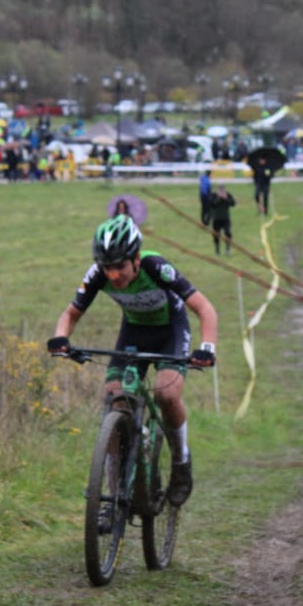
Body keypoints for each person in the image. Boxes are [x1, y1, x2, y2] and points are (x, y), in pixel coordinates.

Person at [48, 215, 218, 507]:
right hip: (134, 333)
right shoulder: (98, 274)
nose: (113, 275)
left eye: (120, 266)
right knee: (115, 396)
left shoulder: (156, 267)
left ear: (136, 259)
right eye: (108, 267)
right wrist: (60, 338)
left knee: (167, 393)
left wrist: (207, 348)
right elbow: (71, 314)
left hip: (170, 331)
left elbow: (205, 308)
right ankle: (114, 497)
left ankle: (181, 461)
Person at [208, 184, 236, 255]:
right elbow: (213, 204)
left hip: (226, 219)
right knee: (216, 235)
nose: (221, 192)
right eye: (220, 190)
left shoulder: (228, 195)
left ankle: (228, 249)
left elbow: (233, 204)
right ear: (217, 190)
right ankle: (217, 250)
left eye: (222, 190)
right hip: (216, 219)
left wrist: (225, 198)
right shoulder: (213, 196)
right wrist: (219, 198)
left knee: (228, 233)